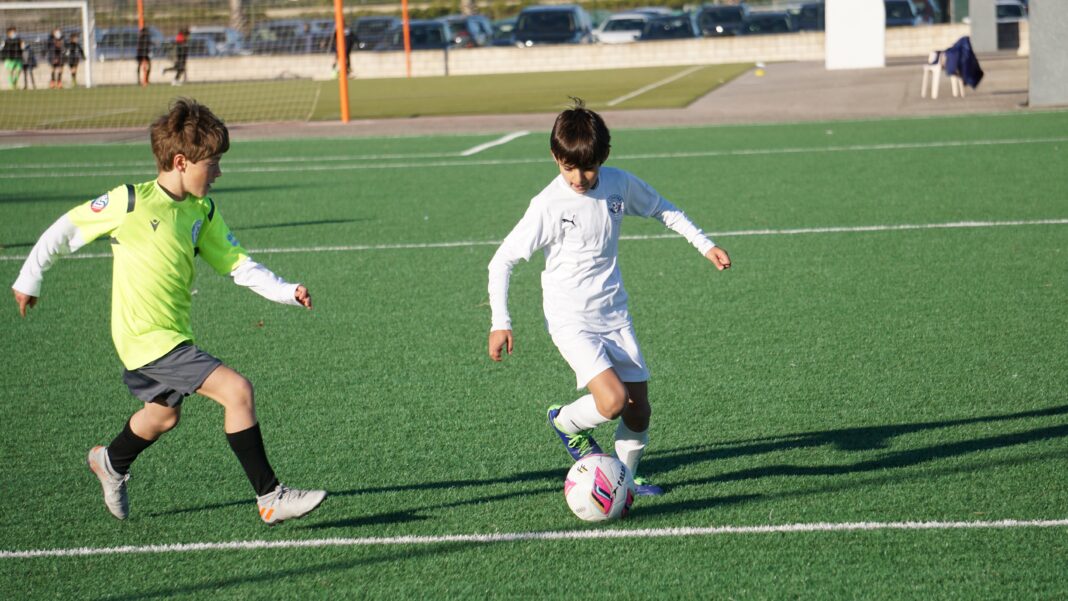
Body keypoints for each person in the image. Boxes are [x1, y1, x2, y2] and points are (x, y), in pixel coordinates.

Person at [11, 98, 326, 525]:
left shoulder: (202, 212)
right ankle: (270, 497)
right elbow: (65, 228)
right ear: (180, 161)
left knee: (162, 416)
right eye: (211, 163)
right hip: (146, 337)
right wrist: (29, 279)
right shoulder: (129, 202)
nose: (217, 172)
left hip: (170, 334)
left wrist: (286, 291)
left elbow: (238, 264)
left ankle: (111, 461)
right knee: (238, 392)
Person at [486, 99, 731, 496]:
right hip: (571, 319)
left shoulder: (618, 183)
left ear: (604, 158)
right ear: (555, 157)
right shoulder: (547, 205)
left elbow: (662, 209)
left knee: (639, 409)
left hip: (614, 313)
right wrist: (502, 321)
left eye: (588, 167)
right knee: (613, 400)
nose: (580, 177)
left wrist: (704, 245)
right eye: (569, 167)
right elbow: (502, 261)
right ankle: (566, 422)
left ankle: (625, 478)